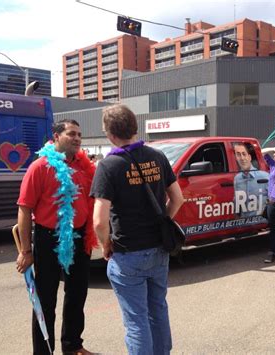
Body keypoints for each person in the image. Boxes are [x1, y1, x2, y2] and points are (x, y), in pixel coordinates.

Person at [91, 104, 184, 354]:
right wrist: (164, 221)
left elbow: (99, 221)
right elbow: (177, 198)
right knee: (158, 311)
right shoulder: (157, 156)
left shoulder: (108, 166)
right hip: (158, 249)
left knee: (136, 320)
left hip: (128, 252)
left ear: (109, 134)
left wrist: (105, 245)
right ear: (135, 127)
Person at [16, 119, 97, 355]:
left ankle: (73, 346)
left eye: (79, 134)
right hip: (48, 238)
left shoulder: (85, 167)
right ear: (56, 136)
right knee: (45, 299)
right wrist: (26, 251)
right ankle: (43, 351)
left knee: (77, 294)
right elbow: (24, 208)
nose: (77, 138)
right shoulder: (40, 167)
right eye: (71, 133)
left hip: (80, 236)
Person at [233, 142, 269, 218]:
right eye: (238, 154)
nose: (242, 158)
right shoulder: (237, 178)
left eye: (244, 154)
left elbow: (272, 200)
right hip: (243, 224)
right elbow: (237, 203)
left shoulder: (265, 176)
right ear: (235, 158)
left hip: (260, 223)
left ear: (249, 157)